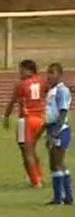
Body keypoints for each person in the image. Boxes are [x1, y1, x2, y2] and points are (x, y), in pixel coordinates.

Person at [3, 60, 47, 188]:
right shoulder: (43, 81)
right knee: (32, 149)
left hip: (27, 120)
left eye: (21, 70)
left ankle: (35, 181)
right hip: (41, 119)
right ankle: (39, 175)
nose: (19, 73)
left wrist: (6, 117)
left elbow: (12, 102)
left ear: (29, 70)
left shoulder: (22, 85)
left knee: (26, 152)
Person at [42, 63, 73, 205]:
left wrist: (55, 132)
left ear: (59, 74)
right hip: (53, 129)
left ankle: (59, 198)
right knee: (57, 163)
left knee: (57, 163)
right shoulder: (52, 90)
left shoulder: (62, 90)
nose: (48, 75)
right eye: (48, 72)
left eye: (52, 72)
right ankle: (66, 197)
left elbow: (63, 112)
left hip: (59, 130)